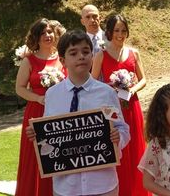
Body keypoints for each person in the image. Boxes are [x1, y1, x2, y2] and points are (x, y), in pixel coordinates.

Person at [31, 29, 130, 196]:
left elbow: (123, 128)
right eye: (73, 53)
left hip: (102, 184)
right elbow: (48, 134)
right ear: (63, 60)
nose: (81, 56)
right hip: (66, 186)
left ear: (92, 56)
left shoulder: (106, 93)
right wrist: (37, 135)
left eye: (86, 52)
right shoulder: (53, 95)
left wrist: (118, 138)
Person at [91, 14, 149, 196]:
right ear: (109, 32)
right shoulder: (101, 55)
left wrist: (131, 90)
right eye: (117, 30)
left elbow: (144, 79)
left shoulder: (134, 53)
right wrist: (111, 88)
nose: (120, 34)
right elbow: (93, 82)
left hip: (132, 106)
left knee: (137, 149)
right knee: (119, 147)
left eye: (123, 30)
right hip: (112, 109)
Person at [15, 19, 65, 196]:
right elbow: (19, 88)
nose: (48, 36)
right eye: (43, 33)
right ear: (36, 37)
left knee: (59, 155)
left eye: (50, 32)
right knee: (36, 157)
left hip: (60, 113)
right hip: (37, 112)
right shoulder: (29, 61)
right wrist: (38, 98)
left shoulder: (62, 58)